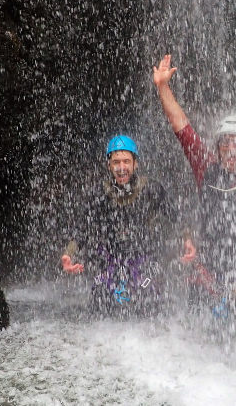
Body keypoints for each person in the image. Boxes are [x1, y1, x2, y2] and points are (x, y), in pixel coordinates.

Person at [152, 54, 236, 316]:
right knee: (199, 334)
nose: (231, 149)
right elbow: (182, 128)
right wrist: (163, 87)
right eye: (226, 142)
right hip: (206, 274)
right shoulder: (206, 167)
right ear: (218, 147)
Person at [61, 135, 179, 315]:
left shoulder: (151, 189)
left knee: (149, 299)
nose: (121, 168)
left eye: (126, 162)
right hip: (111, 258)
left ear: (135, 164)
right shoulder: (99, 193)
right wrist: (68, 254)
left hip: (144, 257)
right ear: (109, 165)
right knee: (100, 299)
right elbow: (82, 227)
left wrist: (187, 241)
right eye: (116, 162)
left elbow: (176, 218)